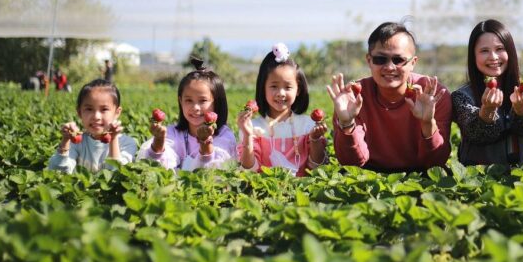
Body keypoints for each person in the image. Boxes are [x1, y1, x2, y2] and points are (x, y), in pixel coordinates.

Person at [327, 21, 452, 173]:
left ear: (413, 63)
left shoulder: (433, 95)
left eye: (398, 60)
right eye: (380, 59)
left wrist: (428, 123)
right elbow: (351, 163)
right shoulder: (353, 97)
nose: (389, 67)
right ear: (369, 61)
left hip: (420, 175)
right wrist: (347, 124)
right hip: (370, 175)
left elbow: (436, 164)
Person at [451, 19, 523, 166]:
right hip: (478, 181)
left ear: (510, 52)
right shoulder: (462, 97)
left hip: (521, 180)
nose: (493, 57)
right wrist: (487, 111)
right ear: (473, 56)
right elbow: (477, 135)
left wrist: (522, 110)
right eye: (484, 51)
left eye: (500, 49)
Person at [237, 43, 328, 176]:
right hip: (266, 194)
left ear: (298, 90)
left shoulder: (307, 126)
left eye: (288, 87)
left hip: (301, 193)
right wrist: (247, 135)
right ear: (263, 88)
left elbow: (316, 166)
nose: (281, 93)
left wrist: (315, 139)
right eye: (274, 86)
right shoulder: (255, 128)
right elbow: (249, 169)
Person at [137, 57, 236, 172]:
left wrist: (205, 145)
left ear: (217, 102)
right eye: (189, 100)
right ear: (180, 101)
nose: (195, 107)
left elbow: (217, 172)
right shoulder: (172, 134)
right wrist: (158, 144)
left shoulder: (224, 136)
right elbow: (154, 169)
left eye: (203, 100)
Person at [48, 79, 138, 173]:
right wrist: (65, 141)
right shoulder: (76, 143)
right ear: (79, 113)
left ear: (117, 112)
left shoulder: (127, 143)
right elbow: (57, 172)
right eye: (89, 109)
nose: (96, 116)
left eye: (104, 109)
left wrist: (113, 139)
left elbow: (118, 175)